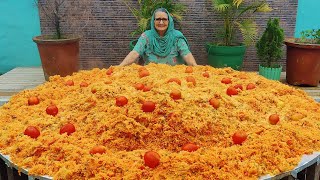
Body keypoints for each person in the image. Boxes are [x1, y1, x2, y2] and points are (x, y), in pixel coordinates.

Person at [120, 8, 197, 66]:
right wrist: (120, 67)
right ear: (153, 21)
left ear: (169, 21)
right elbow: (135, 53)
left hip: (175, 78)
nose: (161, 22)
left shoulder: (176, 37)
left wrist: (196, 67)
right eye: (158, 19)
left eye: (164, 19)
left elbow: (186, 54)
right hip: (150, 78)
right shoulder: (146, 36)